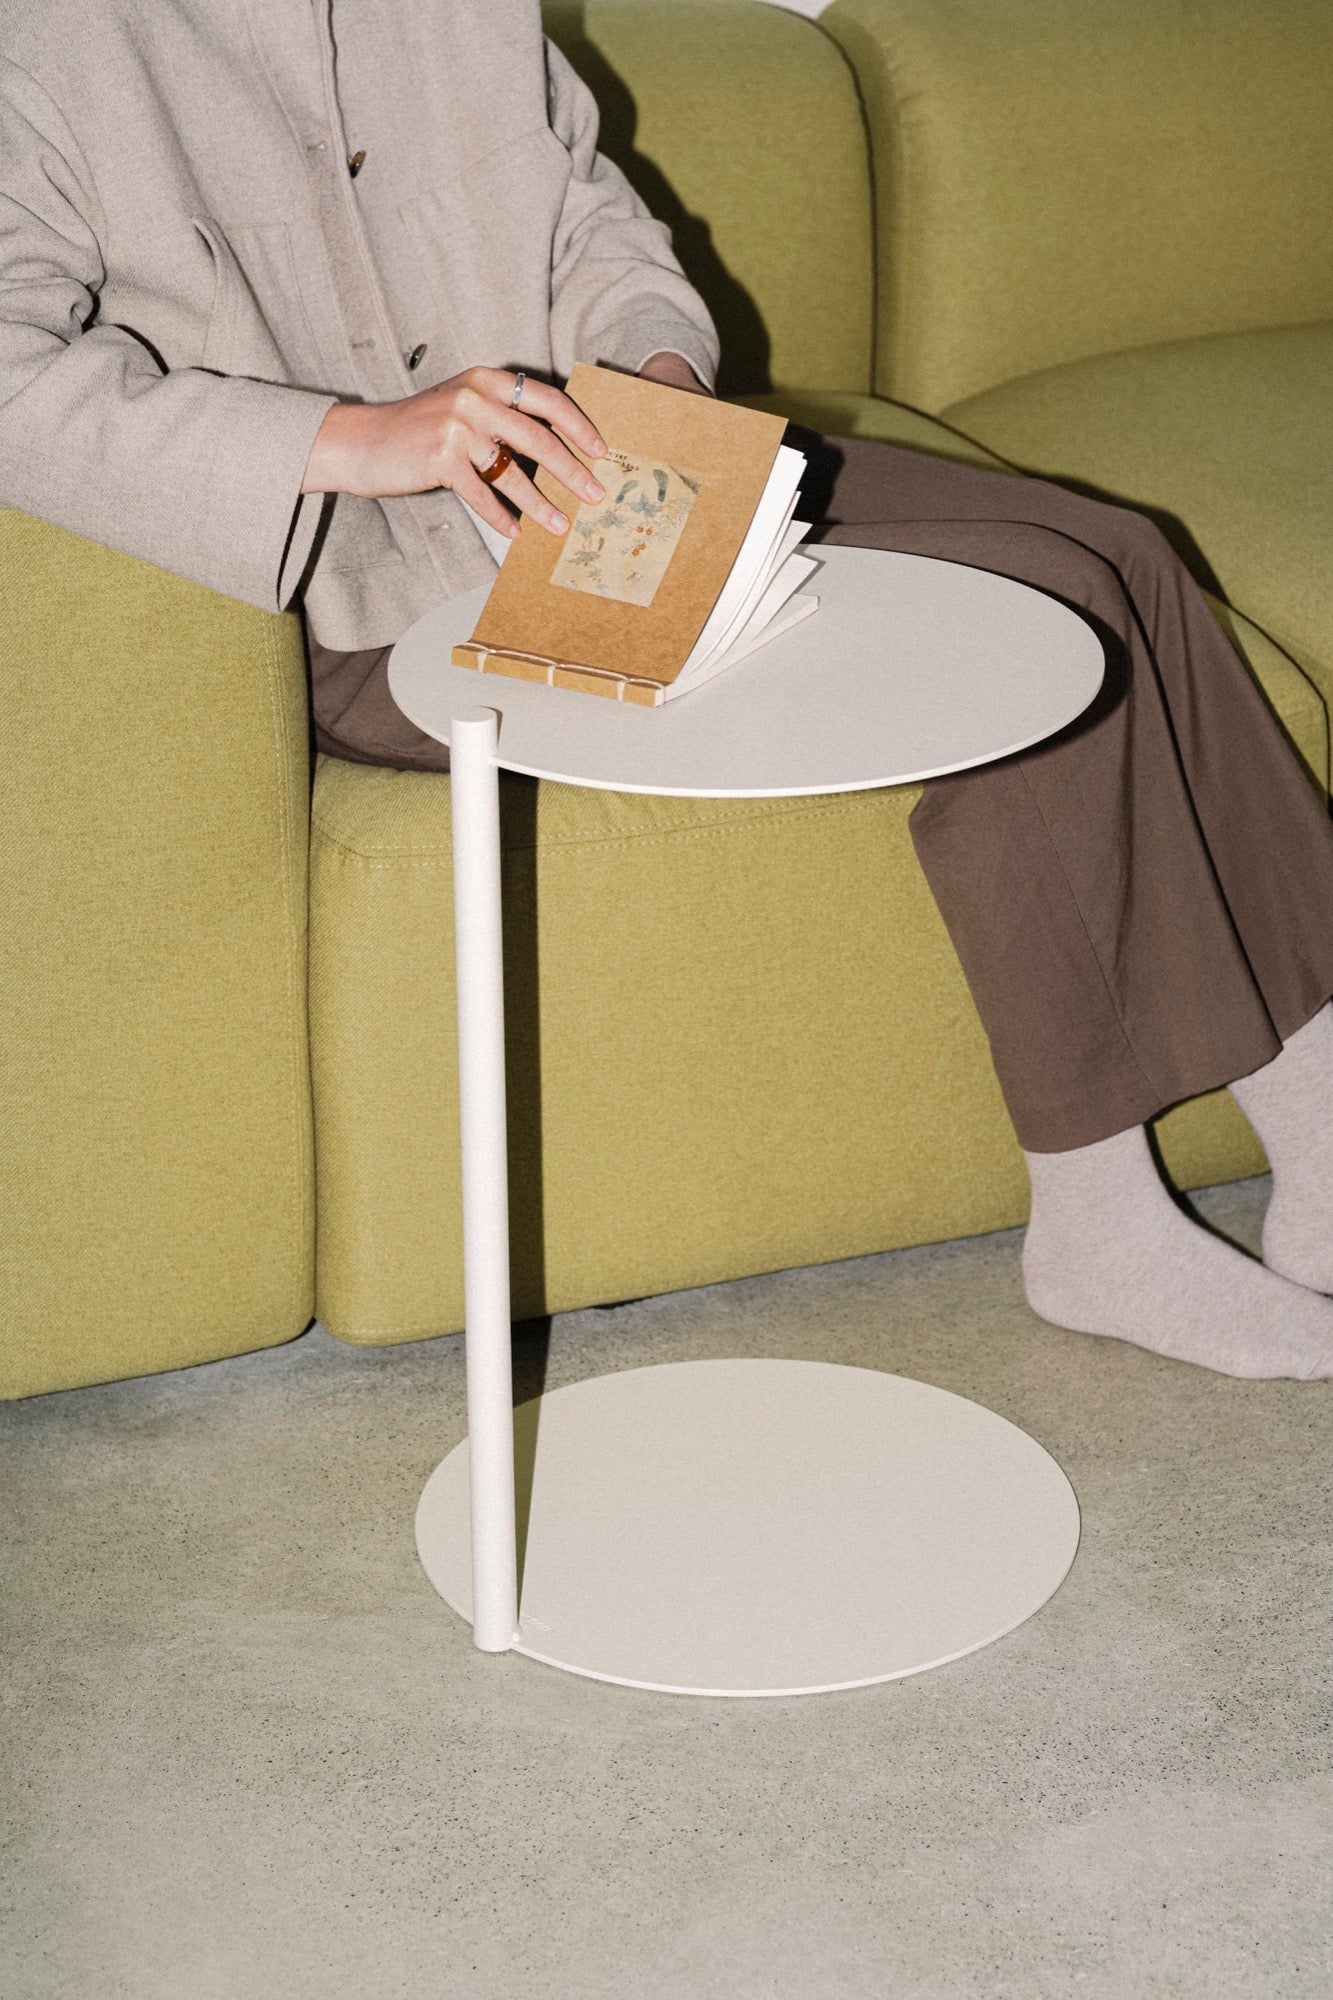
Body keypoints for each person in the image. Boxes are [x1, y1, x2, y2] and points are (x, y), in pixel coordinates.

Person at [3, 0, 1332, 1379]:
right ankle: (1100, 1223)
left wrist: (660, 376)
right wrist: (351, 439)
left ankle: (1323, 1146)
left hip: (617, 495)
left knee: (1112, 559)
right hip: (381, 599)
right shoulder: (53, 41)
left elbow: (592, 220)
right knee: (1030, 614)